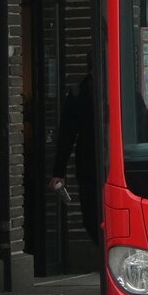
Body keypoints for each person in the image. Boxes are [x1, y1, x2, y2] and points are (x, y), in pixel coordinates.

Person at [49, 70, 101, 246]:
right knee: (92, 217)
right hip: (90, 167)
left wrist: (59, 171)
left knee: (92, 216)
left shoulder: (80, 93)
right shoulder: (80, 94)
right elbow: (67, 135)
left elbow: (67, 135)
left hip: (95, 165)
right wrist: (59, 171)